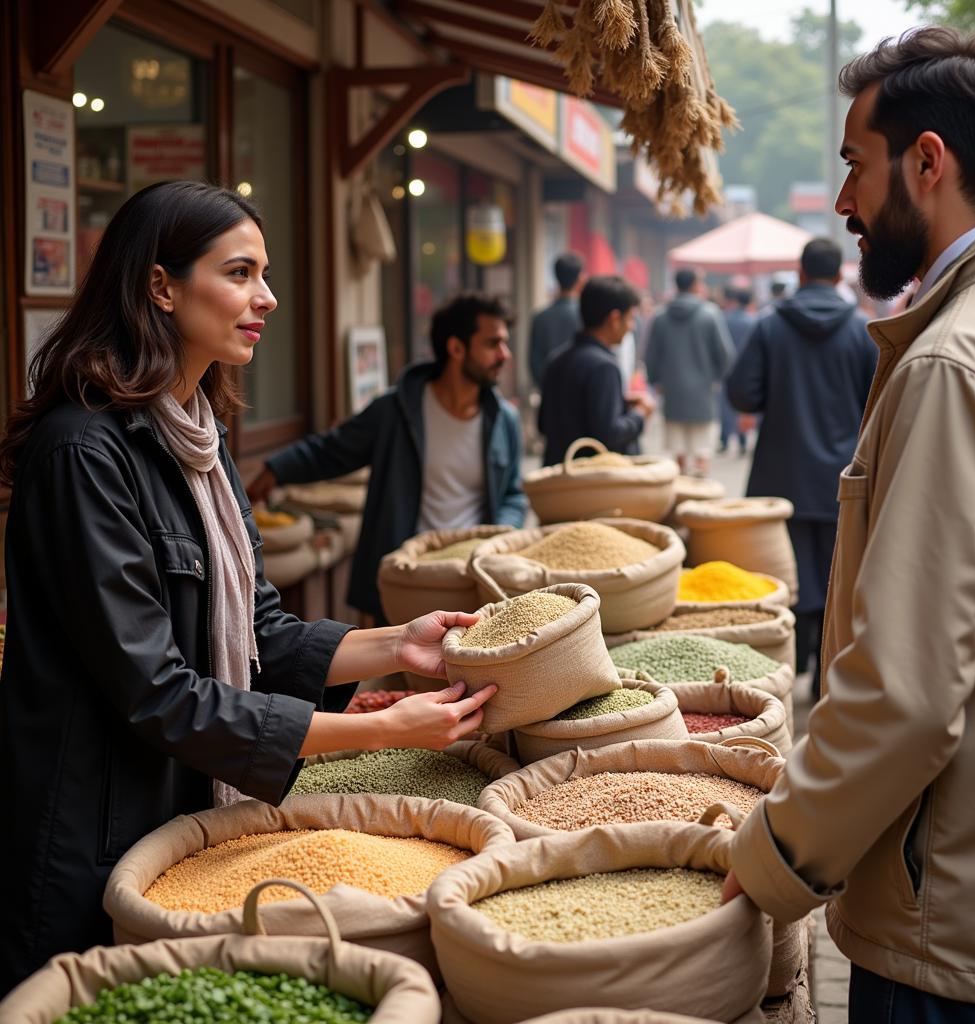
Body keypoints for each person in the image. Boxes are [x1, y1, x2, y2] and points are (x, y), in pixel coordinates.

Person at [0, 181, 496, 995]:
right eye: (239, 273)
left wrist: (396, 644)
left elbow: (257, 628)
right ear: (160, 286)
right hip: (87, 834)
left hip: (181, 817)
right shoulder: (83, 452)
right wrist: (385, 731)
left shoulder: (197, 434)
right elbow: (158, 691)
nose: (265, 297)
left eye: (263, 273)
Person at [723, 28, 975, 1021]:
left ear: (926, 162)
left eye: (854, 166)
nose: (845, 200)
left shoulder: (954, 361)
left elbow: (902, 695)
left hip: (950, 920)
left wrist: (773, 857)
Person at [247, 293, 527, 622]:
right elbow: (332, 450)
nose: (504, 355)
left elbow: (513, 493)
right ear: (456, 348)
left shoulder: (504, 420)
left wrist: (498, 536)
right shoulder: (397, 409)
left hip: (471, 578)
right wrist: (275, 470)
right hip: (404, 578)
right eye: (493, 343)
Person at [726, 238, 876, 696]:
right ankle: (825, 669)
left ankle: (782, 670)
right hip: (842, 479)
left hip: (780, 473)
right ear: (837, 276)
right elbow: (879, 402)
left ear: (801, 272)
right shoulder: (861, 330)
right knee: (838, 572)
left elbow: (741, 394)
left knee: (783, 575)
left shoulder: (771, 327)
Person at [538, 275, 653, 466]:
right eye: (631, 318)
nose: (632, 326)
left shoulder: (556, 360)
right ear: (615, 319)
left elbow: (543, 424)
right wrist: (640, 414)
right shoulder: (605, 367)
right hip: (590, 483)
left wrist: (622, 403)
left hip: (558, 478)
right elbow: (610, 434)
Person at [645, 267, 734, 476]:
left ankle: (681, 485)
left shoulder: (660, 316)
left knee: (678, 448)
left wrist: (656, 380)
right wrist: (718, 378)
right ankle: (701, 487)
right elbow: (725, 354)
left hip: (672, 390)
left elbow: (650, 355)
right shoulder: (710, 314)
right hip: (703, 390)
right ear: (695, 285)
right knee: (702, 445)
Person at [528, 252, 584, 389]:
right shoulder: (584, 315)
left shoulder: (540, 318)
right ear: (580, 279)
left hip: (548, 391)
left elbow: (534, 362)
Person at [717, 283, 757, 455]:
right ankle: (742, 440)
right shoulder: (754, 320)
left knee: (725, 405)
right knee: (744, 406)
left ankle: (724, 439)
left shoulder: (723, 318)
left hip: (727, 368)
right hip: (747, 369)